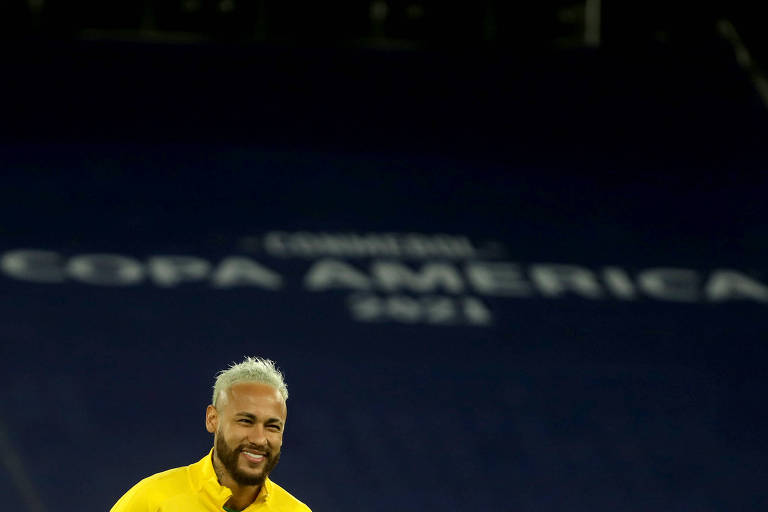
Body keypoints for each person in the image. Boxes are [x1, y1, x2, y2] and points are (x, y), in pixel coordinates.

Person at [111, 357, 311, 512]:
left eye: (272, 426)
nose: (259, 438)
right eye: (245, 421)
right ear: (212, 419)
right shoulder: (153, 501)